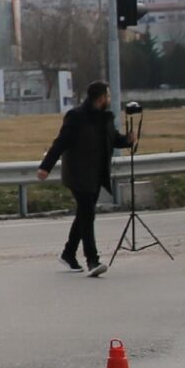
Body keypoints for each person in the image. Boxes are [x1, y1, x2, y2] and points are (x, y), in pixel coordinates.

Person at [37, 81, 134, 277]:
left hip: (96, 174)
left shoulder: (105, 118)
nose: (109, 99)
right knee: (88, 215)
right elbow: (60, 143)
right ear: (100, 98)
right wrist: (45, 167)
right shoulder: (76, 117)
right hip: (78, 174)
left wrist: (127, 141)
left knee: (84, 215)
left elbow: (113, 139)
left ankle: (68, 254)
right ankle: (92, 260)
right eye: (107, 95)